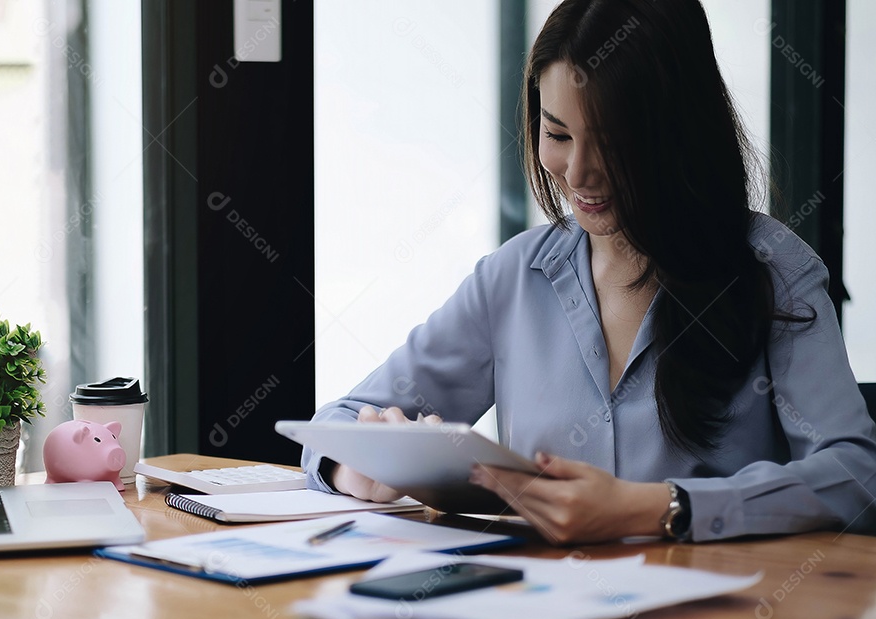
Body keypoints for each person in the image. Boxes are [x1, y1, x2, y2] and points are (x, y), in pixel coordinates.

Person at [301, 0, 876, 544]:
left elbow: (855, 474)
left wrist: (658, 508)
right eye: (557, 135)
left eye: (613, 143)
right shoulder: (513, 278)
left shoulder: (773, 268)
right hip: (542, 599)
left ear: (679, 132)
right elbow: (336, 424)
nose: (578, 173)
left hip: (720, 602)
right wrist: (362, 470)